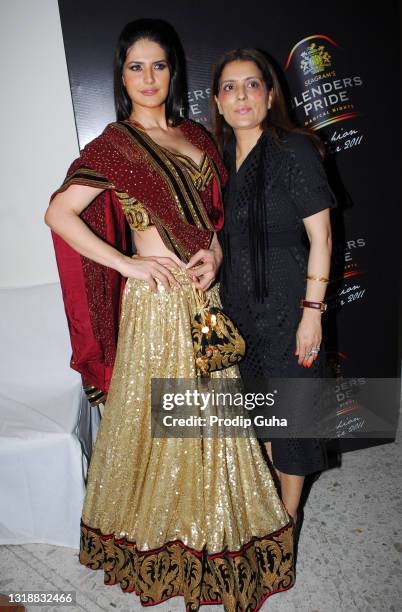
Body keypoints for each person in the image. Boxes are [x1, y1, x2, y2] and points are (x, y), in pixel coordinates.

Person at [44, 21, 295, 610]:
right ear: (121, 75)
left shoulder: (198, 139)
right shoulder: (115, 144)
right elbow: (60, 214)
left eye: (158, 66)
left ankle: (216, 534)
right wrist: (129, 265)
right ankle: (166, 541)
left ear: (172, 73)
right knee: (162, 429)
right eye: (137, 67)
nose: (149, 78)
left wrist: (215, 253)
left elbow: (215, 224)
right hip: (155, 307)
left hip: (203, 300)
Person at [212, 49, 338, 533]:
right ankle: (267, 509)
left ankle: (288, 519)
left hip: (288, 310)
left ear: (269, 94)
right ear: (219, 102)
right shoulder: (218, 162)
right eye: (229, 87)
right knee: (260, 416)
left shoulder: (293, 150)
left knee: (292, 422)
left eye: (251, 84)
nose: (241, 94)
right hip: (240, 315)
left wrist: (313, 313)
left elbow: (322, 239)